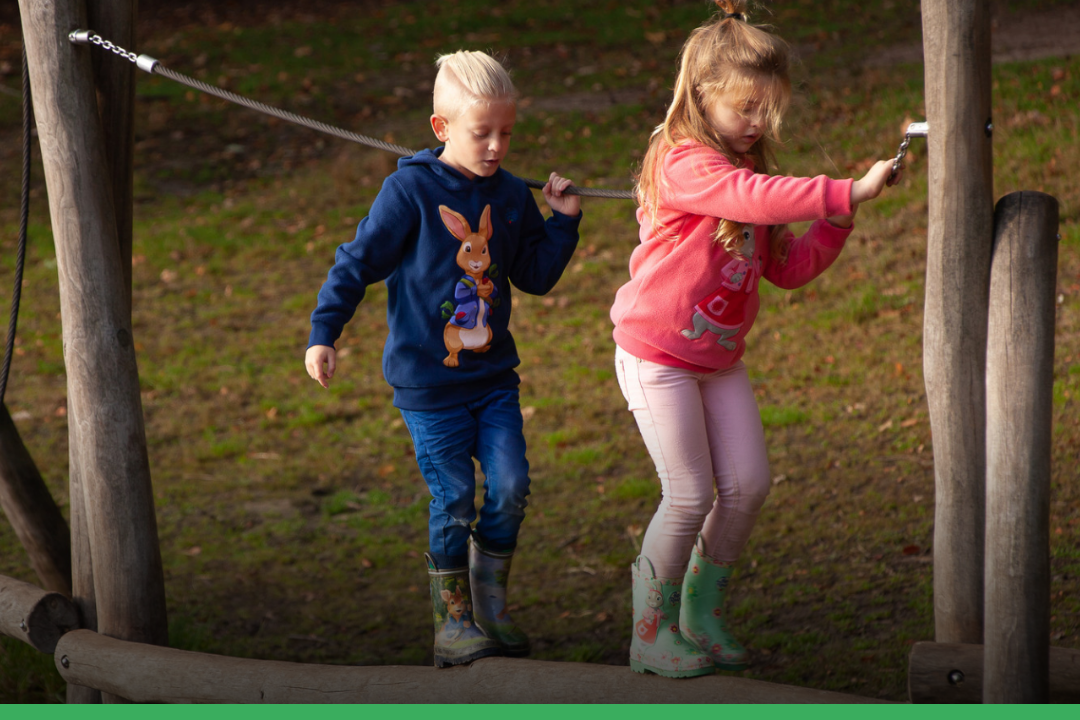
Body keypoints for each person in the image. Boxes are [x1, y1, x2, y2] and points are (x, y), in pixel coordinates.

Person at [610, 0, 901, 678]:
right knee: (688, 495)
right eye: (746, 107)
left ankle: (697, 613)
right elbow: (750, 197)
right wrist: (843, 190)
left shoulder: (751, 176)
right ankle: (647, 632)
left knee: (748, 485)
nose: (759, 123)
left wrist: (839, 219)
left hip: (717, 357)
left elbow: (789, 269)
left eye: (770, 110)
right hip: (659, 356)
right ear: (704, 95)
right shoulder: (684, 162)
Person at [305, 50, 582, 668]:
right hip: (429, 388)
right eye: (481, 132)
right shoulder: (409, 191)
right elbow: (357, 263)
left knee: (510, 487)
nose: (495, 146)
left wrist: (562, 224)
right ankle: (452, 621)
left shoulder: (510, 195)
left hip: (492, 381)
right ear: (441, 128)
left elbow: (535, 275)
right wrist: (325, 332)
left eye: (506, 133)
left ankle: (490, 600)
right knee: (455, 496)